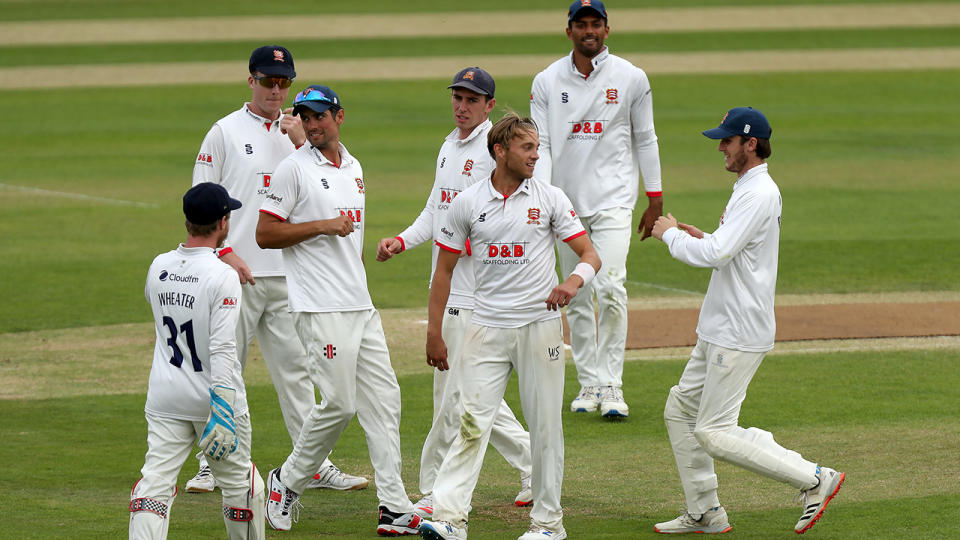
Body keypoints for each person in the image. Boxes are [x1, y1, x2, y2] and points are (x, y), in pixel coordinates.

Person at [651, 107, 845, 534]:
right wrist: (702, 236)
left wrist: (670, 233)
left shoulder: (759, 192)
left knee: (715, 432)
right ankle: (705, 511)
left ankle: (815, 478)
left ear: (750, 144)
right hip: (721, 326)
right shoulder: (746, 187)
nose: (721, 147)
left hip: (738, 330)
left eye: (728, 140)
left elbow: (716, 256)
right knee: (680, 410)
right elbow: (727, 247)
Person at [189, 44, 366, 494]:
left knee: (298, 375)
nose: (275, 89)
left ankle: (313, 465)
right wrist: (224, 253)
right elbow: (201, 199)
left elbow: (326, 181)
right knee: (224, 367)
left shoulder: (302, 130)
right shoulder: (224, 132)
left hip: (290, 276)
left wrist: (300, 139)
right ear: (250, 80)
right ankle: (213, 461)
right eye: (268, 81)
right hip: (236, 272)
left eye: (283, 82)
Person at [418, 113, 601, 540]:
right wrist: (434, 332)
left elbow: (590, 254)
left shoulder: (551, 198)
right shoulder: (467, 203)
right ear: (500, 151)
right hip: (485, 328)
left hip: (539, 328)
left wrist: (573, 282)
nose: (536, 155)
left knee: (544, 427)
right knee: (471, 421)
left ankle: (548, 524)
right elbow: (443, 272)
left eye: (537, 147)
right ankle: (449, 518)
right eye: (527, 148)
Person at [256, 84, 419, 536]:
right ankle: (285, 482)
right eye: (305, 118)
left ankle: (393, 505)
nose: (311, 125)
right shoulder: (292, 169)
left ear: (339, 117)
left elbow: (353, 243)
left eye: (319, 117)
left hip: (359, 305)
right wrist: (323, 226)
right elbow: (265, 234)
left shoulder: (354, 167)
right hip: (319, 307)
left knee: (385, 402)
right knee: (341, 404)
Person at [376, 67, 534, 517]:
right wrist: (402, 240)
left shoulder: (494, 154)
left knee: (451, 400)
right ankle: (534, 466)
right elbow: (437, 209)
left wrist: (474, 242)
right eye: (457, 97)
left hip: (477, 294)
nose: (461, 106)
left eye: (472, 99)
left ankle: (432, 492)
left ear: (489, 106)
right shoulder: (449, 145)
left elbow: (506, 218)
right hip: (447, 290)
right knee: (467, 394)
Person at [530, 0, 664, 418]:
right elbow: (544, 145)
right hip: (565, 203)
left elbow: (646, 138)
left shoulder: (631, 78)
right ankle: (589, 382)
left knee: (610, 287)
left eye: (596, 24)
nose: (589, 30)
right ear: (568, 30)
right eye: (581, 24)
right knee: (578, 291)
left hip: (613, 201)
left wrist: (654, 196)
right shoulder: (547, 81)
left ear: (607, 30)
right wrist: (545, 196)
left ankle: (611, 385)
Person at [130, 182, 264, 539]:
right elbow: (222, 347)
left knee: (154, 486)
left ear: (187, 221)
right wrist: (222, 407)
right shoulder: (223, 275)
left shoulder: (158, 266)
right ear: (223, 222)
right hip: (212, 401)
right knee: (244, 488)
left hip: (165, 397)